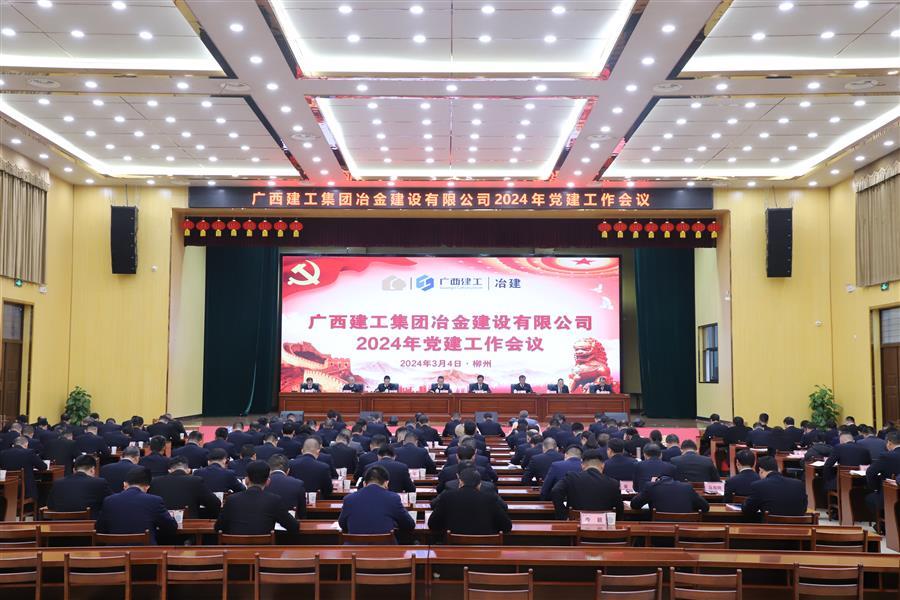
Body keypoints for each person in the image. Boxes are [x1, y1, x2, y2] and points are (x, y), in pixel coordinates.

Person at [96, 466, 178, 544]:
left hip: (115, 551)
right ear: (147, 487)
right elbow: (171, 527)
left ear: (125, 484)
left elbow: (99, 529)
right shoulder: (155, 501)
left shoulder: (109, 501)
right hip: (145, 552)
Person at [215, 461, 299, 535]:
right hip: (264, 547)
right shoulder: (274, 500)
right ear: (268, 482)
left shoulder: (231, 499)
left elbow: (218, 527)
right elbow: (294, 526)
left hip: (235, 546)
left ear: (246, 480)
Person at [338, 464, 416, 540]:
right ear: (386, 483)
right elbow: (409, 524)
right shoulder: (393, 498)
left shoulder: (349, 499)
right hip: (385, 547)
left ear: (364, 484)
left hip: (355, 547)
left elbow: (342, 524)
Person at [428, 469, 511, 536]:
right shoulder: (490, 498)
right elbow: (507, 526)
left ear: (460, 482)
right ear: (479, 484)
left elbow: (432, 525)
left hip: (453, 546)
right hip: (484, 548)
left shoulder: (447, 496)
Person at [550, 450, 622, 519]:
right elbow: (619, 508)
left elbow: (555, 491)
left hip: (576, 523)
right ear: (603, 465)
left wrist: (563, 515)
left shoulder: (571, 478)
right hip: (604, 525)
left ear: (582, 465)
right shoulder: (613, 483)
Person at [148, 456, 221, 519]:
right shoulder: (196, 481)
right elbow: (215, 503)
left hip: (162, 525)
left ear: (169, 471)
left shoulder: (155, 481)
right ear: (188, 470)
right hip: (190, 526)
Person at [741, 456, 807, 518]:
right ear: (778, 469)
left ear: (761, 470)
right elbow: (804, 509)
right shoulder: (799, 484)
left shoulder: (758, 485)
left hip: (770, 525)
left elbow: (747, 510)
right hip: (798, 525)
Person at [47, 454, 111, 517]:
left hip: (60, 522)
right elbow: (111, 502)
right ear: (92, 470)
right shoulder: (99, 482)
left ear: (74, 470)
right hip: (89, 522)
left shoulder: (57, 483)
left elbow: (50, 505)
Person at [865, 431, 900, 521]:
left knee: (869, 499)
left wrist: (876, 487)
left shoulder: (886, 456)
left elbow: (870, 472)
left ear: (889, 443)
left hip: (889, 494)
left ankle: (882, 524)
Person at [630, 475, 710, 515]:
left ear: (658, 480)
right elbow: (705, 507)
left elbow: (634, 505)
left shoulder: (651, 486)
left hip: (659, 532)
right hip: (685, 532)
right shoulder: (687, 487)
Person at [0, 436, 47, 501]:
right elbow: (43, 467)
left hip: (6, 489)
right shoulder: (29, 452)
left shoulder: (2, 453)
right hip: (26, 490)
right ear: (26, 444)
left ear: (14, 444)